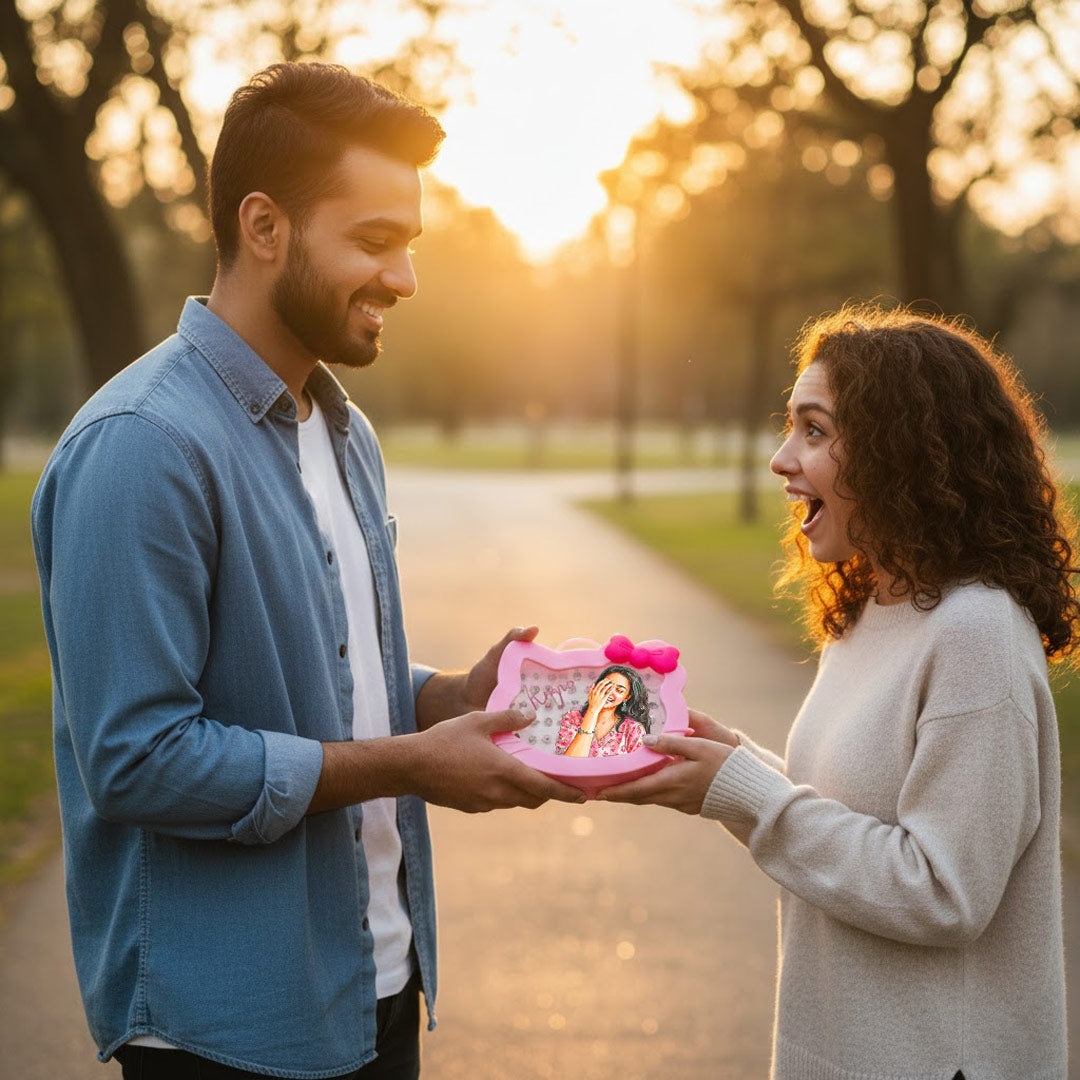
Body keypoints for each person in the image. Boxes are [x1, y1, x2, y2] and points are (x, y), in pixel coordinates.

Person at [30, 62, 583, 1080]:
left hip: (376, 984)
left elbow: (318, 676)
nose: (404, 279)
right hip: (221, 1028)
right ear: (264, 227)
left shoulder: (344, 430)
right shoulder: (142, 445)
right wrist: (409, 764)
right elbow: (139, 759)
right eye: (373, 242)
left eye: (410, 245)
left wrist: (445, 698)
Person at [600, 304, 1075, 1079]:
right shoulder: (873, 609)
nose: (781, 459)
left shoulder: (977, 632)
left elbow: (944, 892)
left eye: (814, 431)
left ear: (902, 453)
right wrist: (726, 763)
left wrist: (746, 793)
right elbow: (847, 814)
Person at [554, 665, 650, 756]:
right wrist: (593, 710)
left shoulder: (633, 729)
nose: (610, 692)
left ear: (626, 697)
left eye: (619, 690)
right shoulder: (573, 718)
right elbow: (570, 763)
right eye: (607, 685)